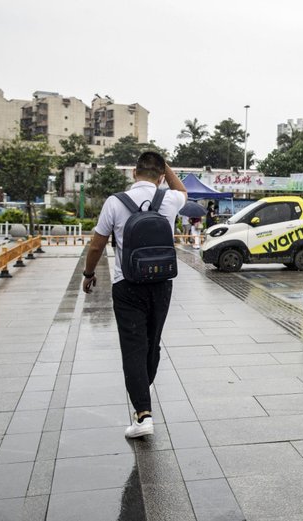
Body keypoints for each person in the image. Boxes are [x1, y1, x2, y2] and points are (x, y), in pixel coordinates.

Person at [81, 152, 187, 439]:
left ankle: (143, 415)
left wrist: (88, 274)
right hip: (162, 282)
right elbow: (183, 191)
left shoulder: (115, 202)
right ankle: (143, 388)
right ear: (161, 175)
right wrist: (166, 167)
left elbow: (96, 245)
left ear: (133, 173)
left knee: (133, 347)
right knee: (152, 343)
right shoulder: (169, 199)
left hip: (126, 284)